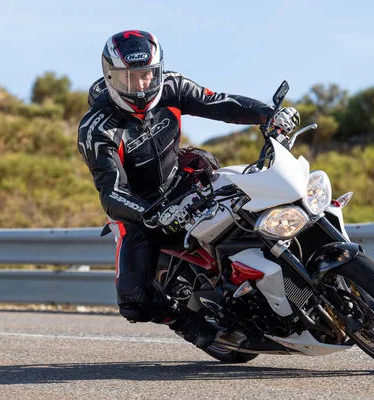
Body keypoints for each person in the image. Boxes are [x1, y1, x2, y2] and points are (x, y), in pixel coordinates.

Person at [77, 30, 300, 349]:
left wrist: (268, 115)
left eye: (146, 75)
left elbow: (219, 103)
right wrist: (150, 214)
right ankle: (186, 320)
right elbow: (111, 192)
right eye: (130, 78)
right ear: (110, 77)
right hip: (141, 210)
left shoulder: (171, 85)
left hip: (183, 180)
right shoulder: (97, 129)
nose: (141, 85)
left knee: (253, 200)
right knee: (134, 299)